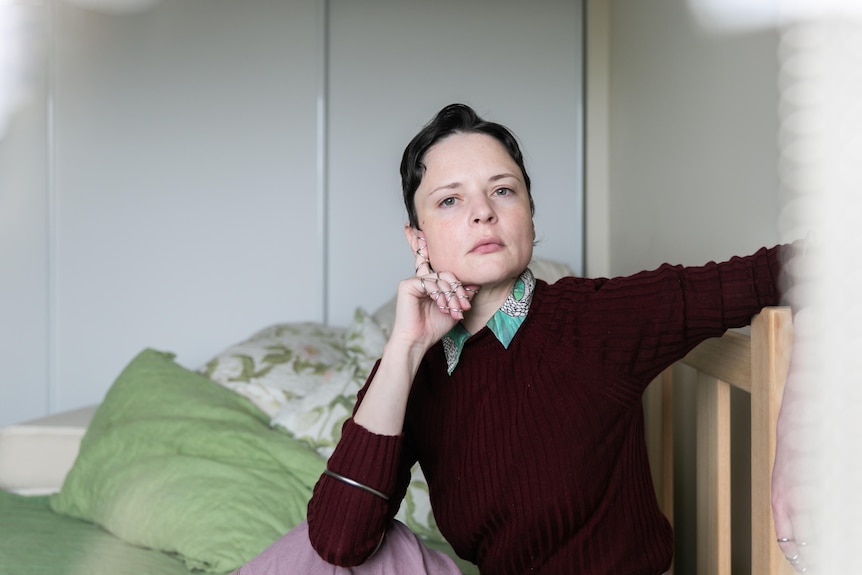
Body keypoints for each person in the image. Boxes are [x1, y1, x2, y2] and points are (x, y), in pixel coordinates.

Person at [233, 103, 792, 575]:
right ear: (417, 239)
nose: (482, 213)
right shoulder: (417, 368)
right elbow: (337, 541)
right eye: (450, 200)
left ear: (528, 212)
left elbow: (802, 267)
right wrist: (403, 349)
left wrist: (798, 416)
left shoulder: (598, 317)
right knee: (319, 547)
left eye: (503, 191)